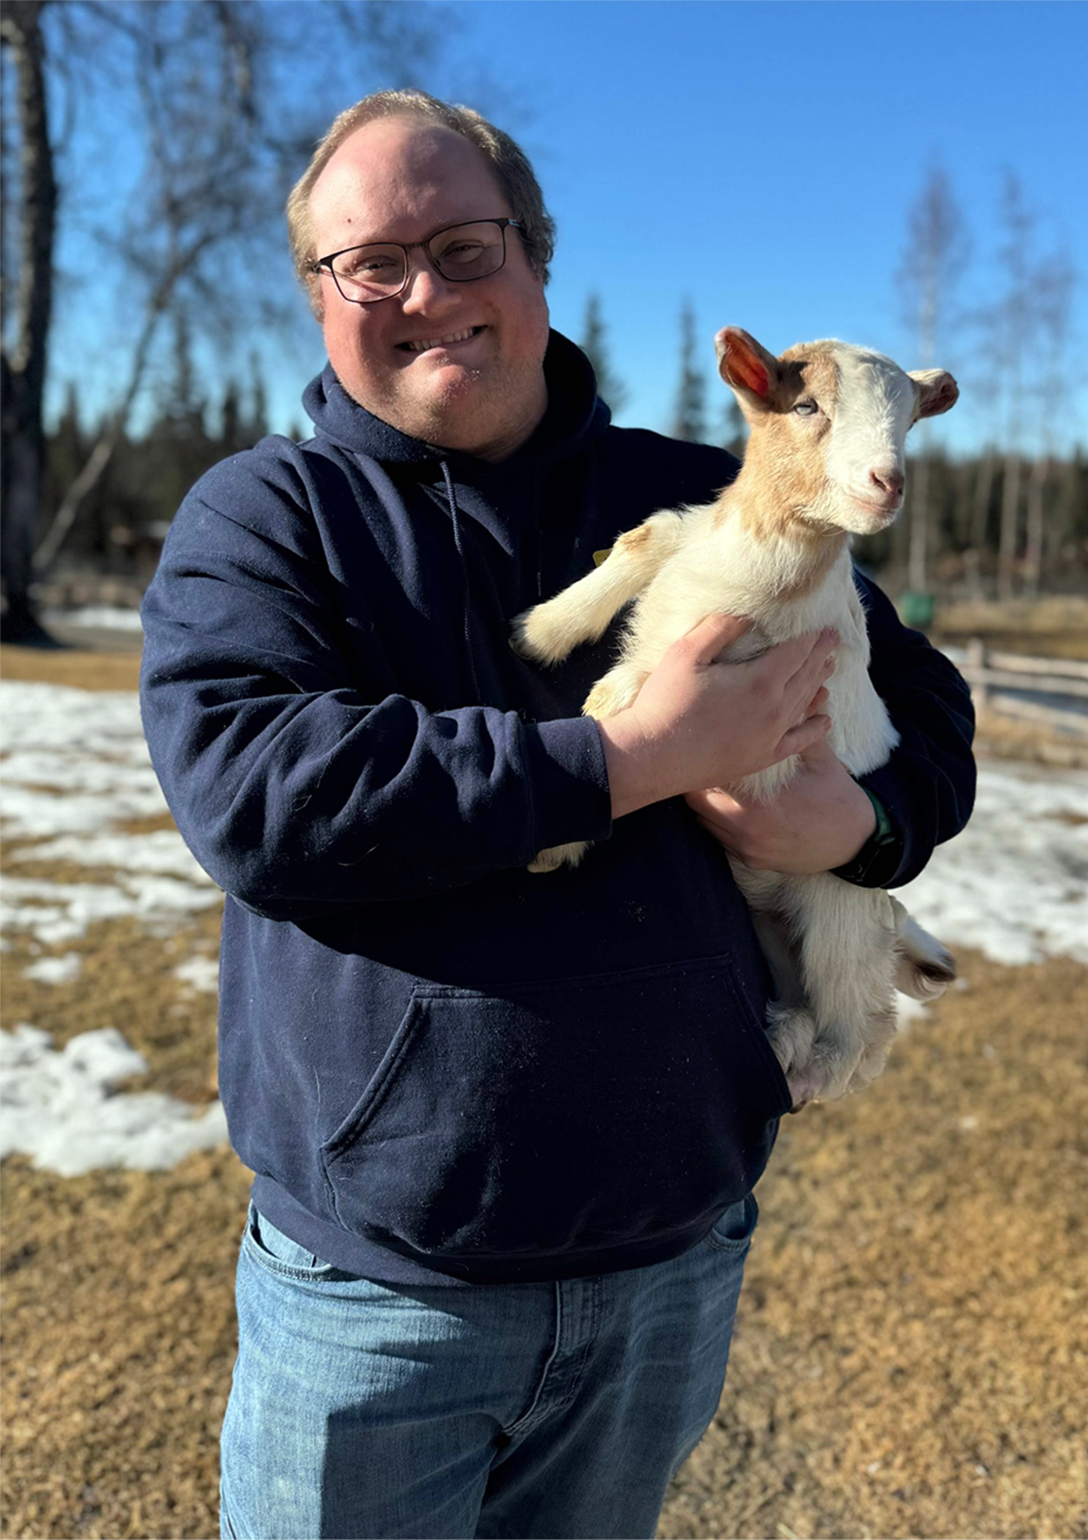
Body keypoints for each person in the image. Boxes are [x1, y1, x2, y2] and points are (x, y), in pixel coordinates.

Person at [138, 89, 974, 1538]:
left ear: (536, 259)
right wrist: (623, 759)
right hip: (377, 1300)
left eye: (465, 250)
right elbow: (260, 798)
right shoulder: (262, 519)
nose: (425, 297)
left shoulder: (707, 492)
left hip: (670, 1262)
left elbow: (929, 714)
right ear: (319, 296)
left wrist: (860, 830)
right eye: (371, 265)